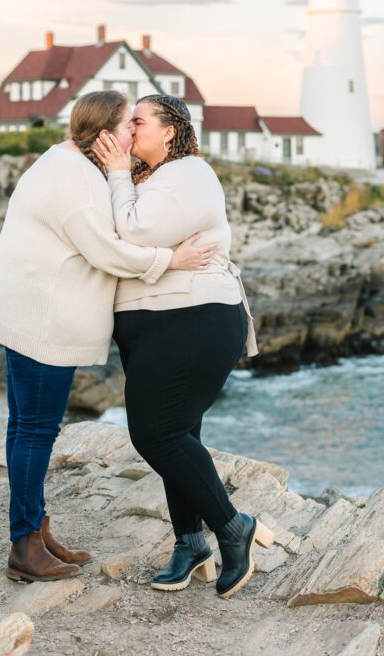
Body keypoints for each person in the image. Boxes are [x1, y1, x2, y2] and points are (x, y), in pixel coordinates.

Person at [0, 91, 215, 584]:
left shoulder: (66, 161)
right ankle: (25, 545)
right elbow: (107, 250)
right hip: (41, 315)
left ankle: (34, 530)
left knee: (23, 424)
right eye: (130, 123)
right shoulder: (74, 179)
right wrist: (169, 261)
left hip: (25, 304)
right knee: (35, 429)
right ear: (107, 133)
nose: (136, 131)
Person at [94, 94, 274, 599]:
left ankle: (233, 527)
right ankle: (191, 542)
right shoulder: (147, 179)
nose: (130, 129)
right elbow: (112, 245)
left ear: (171, 130)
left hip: (193, 317)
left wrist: (114, 174)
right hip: (151, 323)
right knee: (180, 432)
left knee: (156, 432)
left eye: (139, 121)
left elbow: (132, 230)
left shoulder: (189, 173)